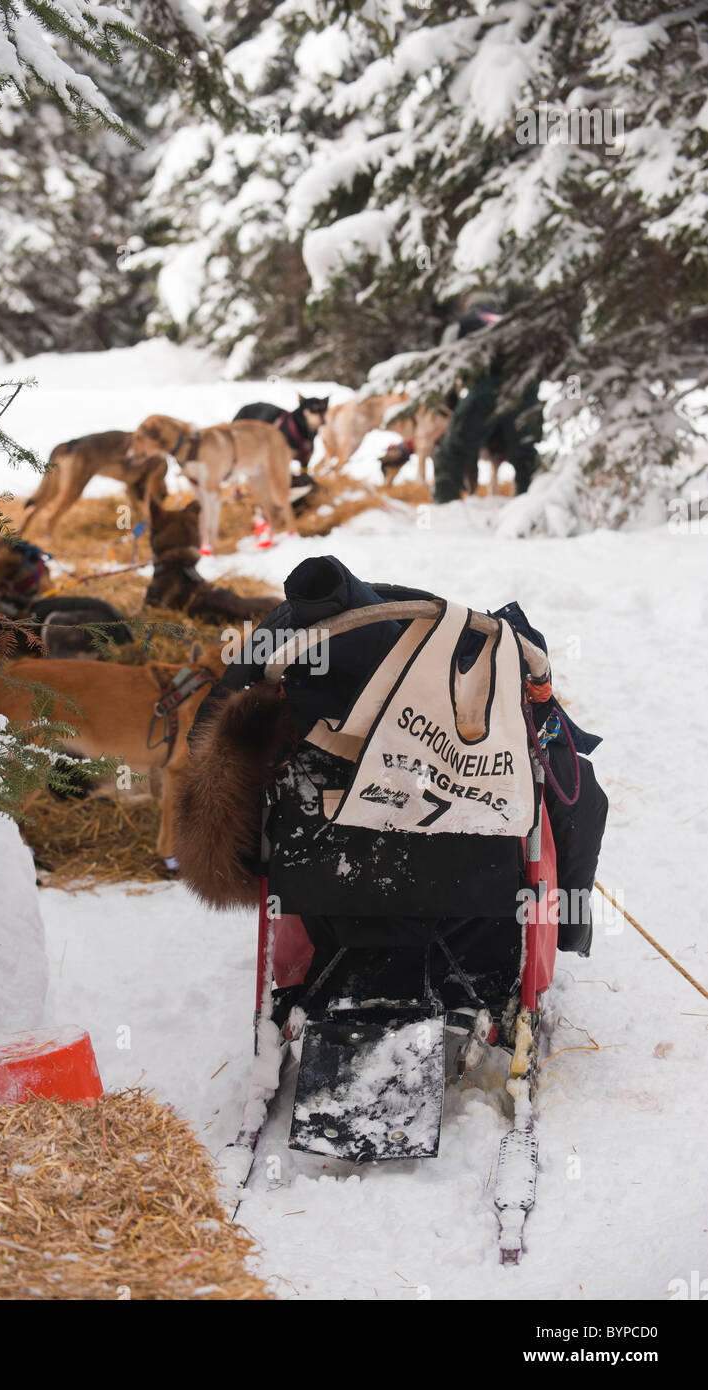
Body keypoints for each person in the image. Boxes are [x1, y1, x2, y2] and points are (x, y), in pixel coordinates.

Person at [176, 556, 608, 1013]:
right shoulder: (483, 658)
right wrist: (571, 925)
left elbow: (207, 742)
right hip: (478, 895)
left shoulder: (280, 652)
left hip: (325, 877)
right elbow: (579, 802)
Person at [433, 292, 543, 503]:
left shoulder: (461, 326)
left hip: (485, 389)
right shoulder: (515, 324)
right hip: (525, 390)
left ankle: (445, 503)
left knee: (453, 448)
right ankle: (530, 505)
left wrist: (450, 405)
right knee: (526, 451)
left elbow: (446, 370)